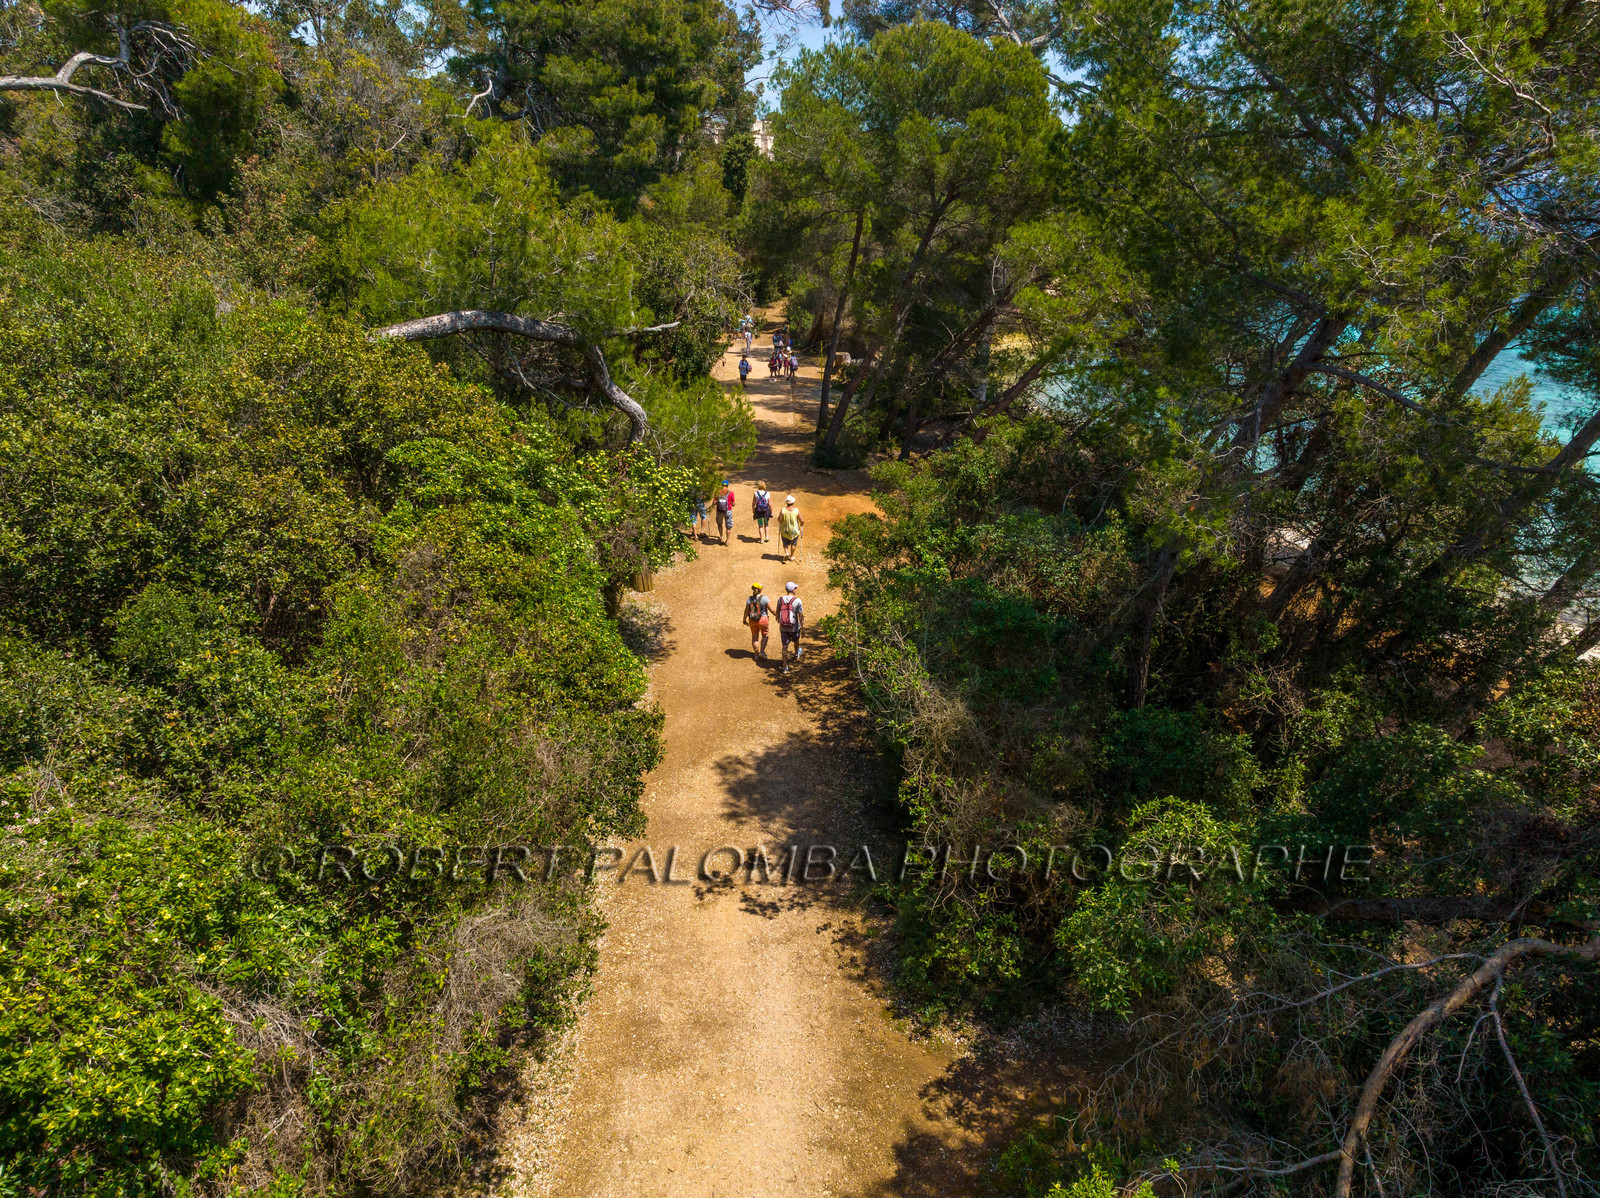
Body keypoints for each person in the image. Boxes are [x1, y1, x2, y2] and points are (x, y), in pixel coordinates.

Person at [776, 581, 804, 674]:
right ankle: (796, 653)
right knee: (796, 640)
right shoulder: (797, 600)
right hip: (794, 627)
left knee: (785, 646)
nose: (796, 589)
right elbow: (800, 616)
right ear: (793, 590)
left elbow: (777, 612)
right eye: (795, 588)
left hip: (783, 627)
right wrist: (803, 629)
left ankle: (785, 667)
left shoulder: (780, 600)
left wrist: (779, 620)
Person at [743, 582, 770, 659]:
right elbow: (772, 609)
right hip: (763, 620)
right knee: (765, 635)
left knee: (755, 637)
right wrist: (777, 616)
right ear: (760, 590)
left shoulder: (749, 599)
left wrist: (744, 620)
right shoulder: (764, 598)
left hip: (752, 620)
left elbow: (746, 610)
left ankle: (756, 654)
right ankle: (762, 651)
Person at [778, 494, 804, 562]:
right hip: (794, 531)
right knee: (793, 543)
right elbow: (802, 520)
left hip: (785, 530)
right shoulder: (796, 510)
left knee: (785, 543)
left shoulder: (783, 510)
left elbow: (779, 519)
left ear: (787, 502)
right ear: (793, 502)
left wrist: (781, 521)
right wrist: (801, 523)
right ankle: (792, 556)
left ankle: (786, 552)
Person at [715, 480, 736, 545]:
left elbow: (714, 503)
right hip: (728, 511)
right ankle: (727, 541)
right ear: (727, 485)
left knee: (719, 524)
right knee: (728, 526)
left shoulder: (717, 492)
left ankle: (721, 537)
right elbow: (734, 504)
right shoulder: (731, 493)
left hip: (719, 511)